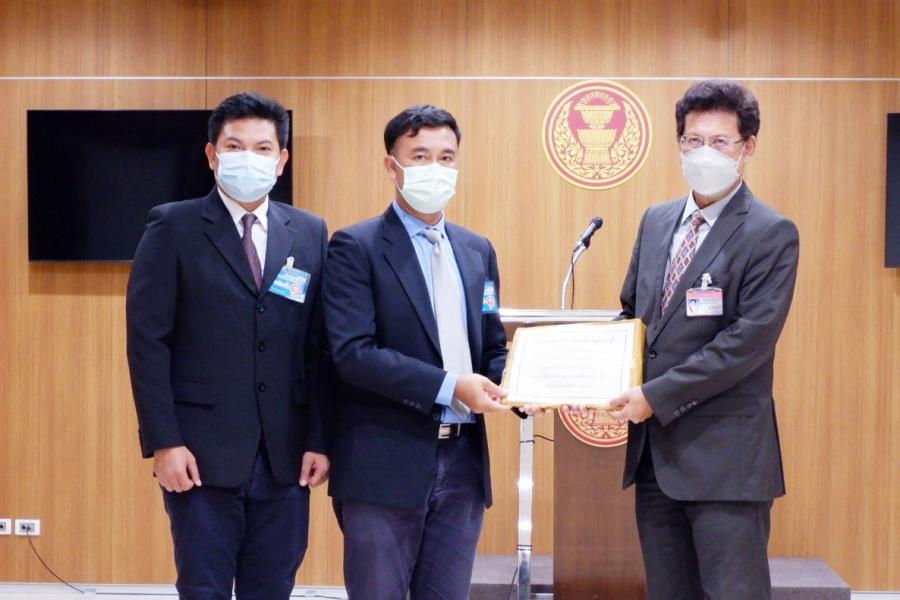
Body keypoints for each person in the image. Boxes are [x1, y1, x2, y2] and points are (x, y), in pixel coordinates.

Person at [126, 92, 333, 600]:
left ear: (281, 160)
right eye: (235, 146)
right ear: (212, 155)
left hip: (286, 456)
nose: (249, 158)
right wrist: (164, 442)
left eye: (263, 148)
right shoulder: (172, 225)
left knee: (274, 588)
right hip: (200, 455)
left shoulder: (309, 232)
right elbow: (148, 342)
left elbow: (318, 346)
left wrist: (320, 437)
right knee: (204, 589)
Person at [609, 80, 800, 600]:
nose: (704, 153)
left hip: (726, 461)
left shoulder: (770, 232)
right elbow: (633, 316)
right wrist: (595, 374)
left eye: (720, 142)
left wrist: (654, 395)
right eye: (693, 141)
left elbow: (746, 342)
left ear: (747, 147)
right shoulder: (656, 221)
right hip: (656, 458)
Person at [323, 104, 511, 600]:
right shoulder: (356, 247)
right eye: (421, 156)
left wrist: (523, 383)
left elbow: (491, 344)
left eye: (446, 158)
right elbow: (353, 353)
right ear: (393, 166)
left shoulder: (477, 250)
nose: (436, 168)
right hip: (385, 463)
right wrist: (452, 387)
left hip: (464, 463)